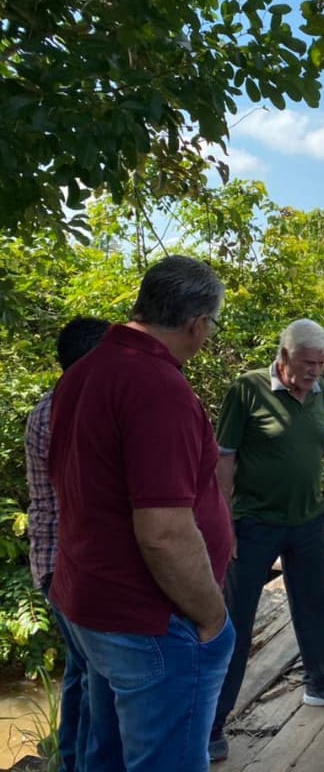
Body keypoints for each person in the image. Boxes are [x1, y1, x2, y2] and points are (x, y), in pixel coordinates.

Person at [48, 255, 235, 771]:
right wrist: (213, 618)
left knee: (106, 755)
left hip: (92, 601)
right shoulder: (156, 386)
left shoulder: (85, 372)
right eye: (212, 325)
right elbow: (164, 533)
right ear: (197, 323)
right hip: (148, 617)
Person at [209, 319, 324, 762]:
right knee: (235, 621)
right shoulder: (247, 390)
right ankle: (213, 720)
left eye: (322, 363)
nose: (316, 371)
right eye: (308, 362)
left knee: (314, 605)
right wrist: (223, 523)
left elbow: (311, 446)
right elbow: (224, 460)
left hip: (308, 519)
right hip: (253, 523)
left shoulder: (319, 391)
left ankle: (320, 681)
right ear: (284, 355)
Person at [25, 316, 109, 771]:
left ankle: (70, 761)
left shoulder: (54, 406)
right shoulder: (69, 413)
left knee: (81, 669)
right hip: (70, 565)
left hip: (56, 562)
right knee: (99, 675)